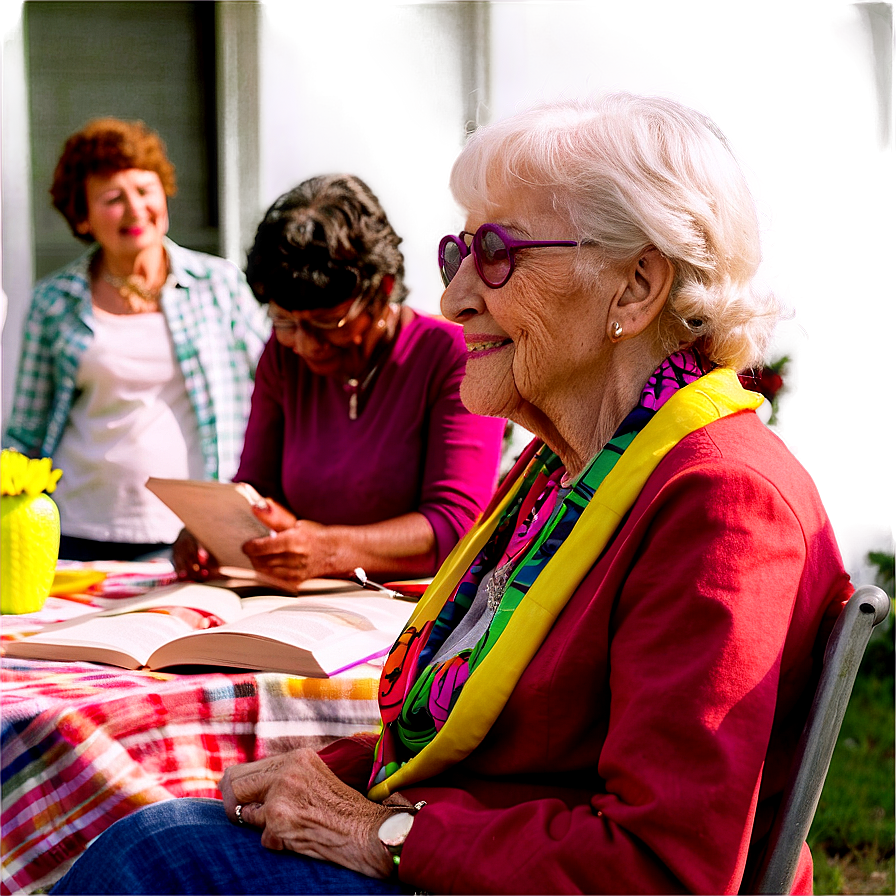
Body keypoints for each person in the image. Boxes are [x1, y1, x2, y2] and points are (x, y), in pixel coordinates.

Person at [51, 92, 852, 895]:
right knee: (170, 830)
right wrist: (329, 772)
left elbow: (665, 869)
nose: (454, 298)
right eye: (458, 253)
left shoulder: (721, 500)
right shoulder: (571, 465)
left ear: (636, 286)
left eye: (499, 254)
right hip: (476, 850)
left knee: (154, 862)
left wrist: (382, 829)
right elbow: (505, 739)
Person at [173, 173, 506, 588]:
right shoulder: (283, 357)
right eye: (285, 321)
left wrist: (331, 550)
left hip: (408, 611)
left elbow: (455, 524)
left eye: (329, 323)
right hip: (301, 600)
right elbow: (258, 487)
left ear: (382, 289)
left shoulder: (449, 355)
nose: (307, 344)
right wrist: (217, 526)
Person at [3, 117, 268, 561]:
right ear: (83, 217)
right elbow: (25, 435)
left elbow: (277, 389)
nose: (135, 209)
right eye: (112, 198)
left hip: (194, 536)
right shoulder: (53, 302)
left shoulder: (219, 285)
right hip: (76, 532)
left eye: (145, 190)